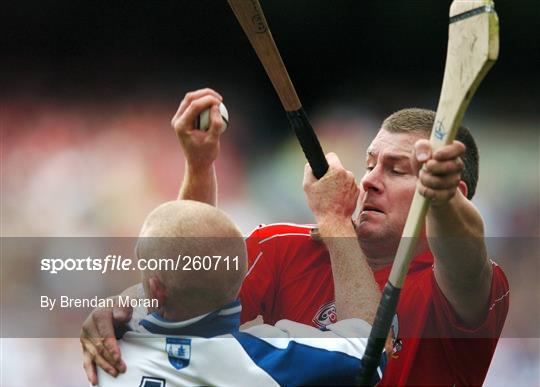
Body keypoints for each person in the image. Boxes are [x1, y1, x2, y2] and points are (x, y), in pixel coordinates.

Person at [81, 88, 509, 386]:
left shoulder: (461, 287)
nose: (370, 181)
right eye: (371, 163)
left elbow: (465, 248)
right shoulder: (281, 247)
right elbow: (189, 286)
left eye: (397, 170)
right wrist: (199, 165)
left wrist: (442, 197)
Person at [91, 200, 384, 386]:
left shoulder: (107, 351)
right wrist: (337, 222)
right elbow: (370, 349)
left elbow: (180, 275)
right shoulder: (266, 359)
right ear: (244, 275)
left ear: (154, 289)